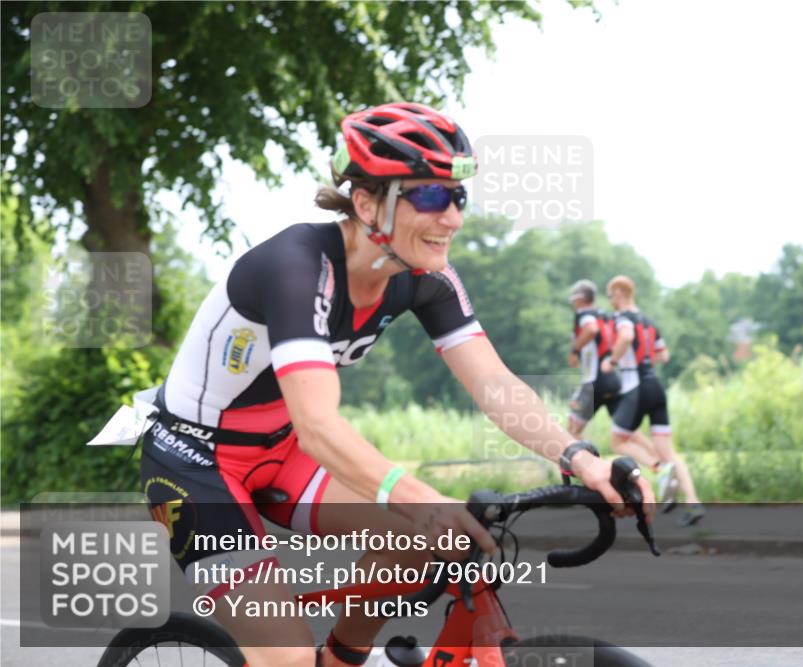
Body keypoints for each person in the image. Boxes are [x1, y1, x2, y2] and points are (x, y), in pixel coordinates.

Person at [140, 102, 654, 667]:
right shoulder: (295, 266)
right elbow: (318, 425)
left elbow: (494, 385)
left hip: (280, 451)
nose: (452, 218)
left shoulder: (426, 277)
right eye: (431, 197)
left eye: (458, 198)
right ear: (366, 204)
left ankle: (341, 658)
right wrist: (424, 499)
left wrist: (582, 460)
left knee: (415, 536)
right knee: (285, 658)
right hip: (197, 466)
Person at [600, 275, 704, 525]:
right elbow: (664, 355)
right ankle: (693, 504)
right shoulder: (648, 321)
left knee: (618, 440)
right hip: (656, 386)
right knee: (666, 449)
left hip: (637, 387)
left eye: (611, 295)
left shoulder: (622, 317)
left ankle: (659, 467)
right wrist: (643, 360)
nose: (610, 300)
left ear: (621, 292)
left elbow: (625, 338)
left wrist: (612, 362)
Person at [566, 279, 676, 504]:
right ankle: (660, 464)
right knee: (626, 429)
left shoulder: (584, 315)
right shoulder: (606, 315)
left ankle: (589, 479)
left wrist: (575, 349)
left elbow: (591, 329)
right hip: (613, 380)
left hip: (596, 381)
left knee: (572, 430)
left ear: (578, 300)